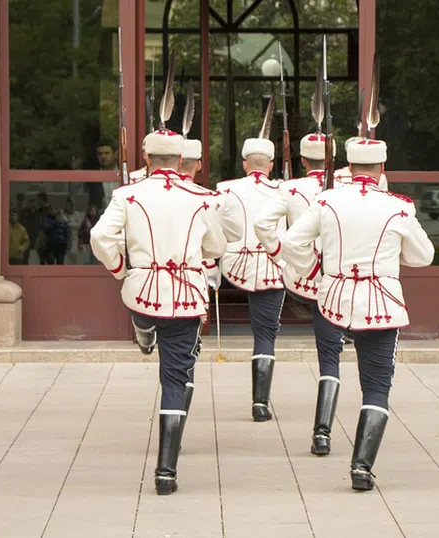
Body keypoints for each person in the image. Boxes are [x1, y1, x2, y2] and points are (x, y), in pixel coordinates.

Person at [279, 138, 434, 491]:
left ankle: (324, 433)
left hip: (334, 299)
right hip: (381, 305)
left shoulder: (327, 200)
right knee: (376, 387)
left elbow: (291, 242)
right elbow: (424, 255)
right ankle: (361, 468)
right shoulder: (399, 206)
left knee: (330, 363)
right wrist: (395, 255)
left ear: (348, 167)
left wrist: (312, 270)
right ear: (382, 169)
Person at [90, 129, 229, 496]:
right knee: (175, 382)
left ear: (147, 159)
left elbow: (99, 236)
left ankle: (144, 327)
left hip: (143, 292)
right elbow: (217, 246)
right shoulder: (203, 198)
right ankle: (166, 472)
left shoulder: (127, 194)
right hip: (185, 295)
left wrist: (120, 267)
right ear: (181, 161)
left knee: (143, 313)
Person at [254, 132, 345, 455]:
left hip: (303, 280)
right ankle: (322, 433)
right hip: (341, 281)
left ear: (303, 160)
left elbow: (262, 223)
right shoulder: (348, 188)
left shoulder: (290, 188)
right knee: (330, 358)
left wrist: (282, 255)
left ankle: (320, 432)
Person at [216, 137, 286, 422]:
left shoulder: (224, 189)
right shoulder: (284, 190)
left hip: (234, 266)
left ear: (244, 164)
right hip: (273, 266)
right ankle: (260, 403)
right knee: (265, 335)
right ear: (271, 165)